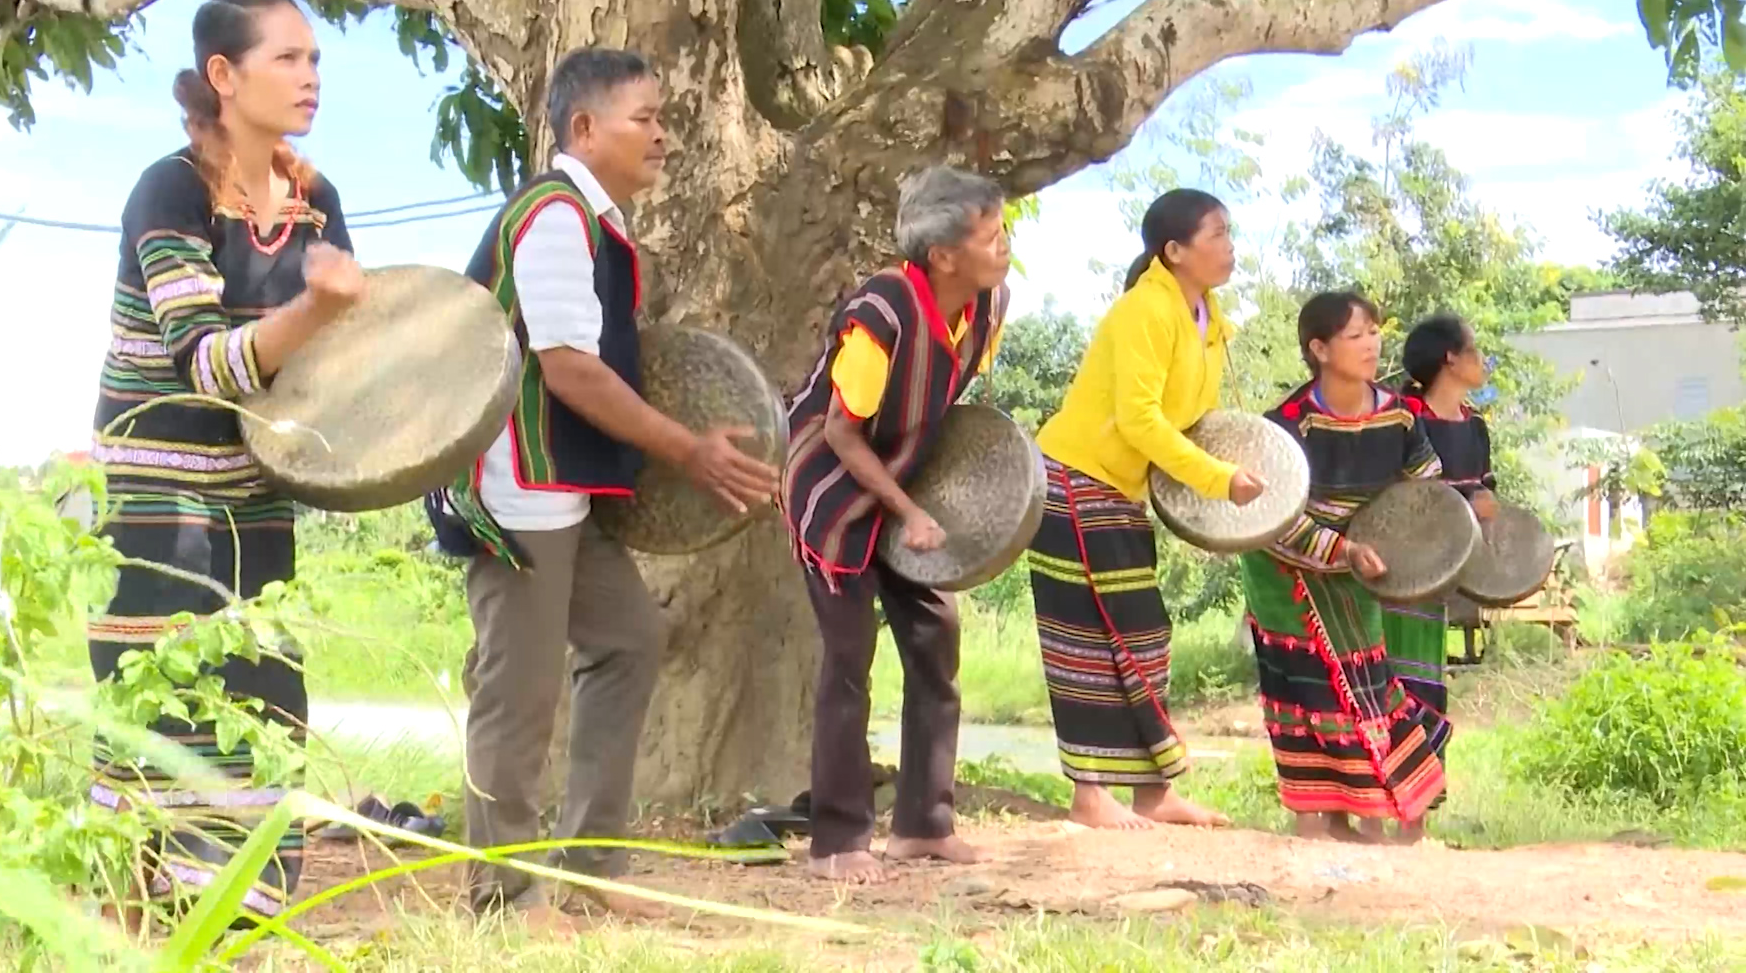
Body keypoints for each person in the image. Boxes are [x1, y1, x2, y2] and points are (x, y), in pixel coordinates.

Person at [426, 48, 777, 918]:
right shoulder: (552, 215)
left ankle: (590, 872)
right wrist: (689, 451)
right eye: (643, 118)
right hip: (518, 489)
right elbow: (572, 372)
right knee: (520, 688)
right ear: (584, 128)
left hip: (568, 494)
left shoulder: (597, 222)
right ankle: (502, 896)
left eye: (664, 118)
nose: (662, 134)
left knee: (627, 640)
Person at [87, 0, 364, 920]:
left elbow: (341, 364)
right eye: (286, 57)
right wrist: (317, 309)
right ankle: (134, 907)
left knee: (260, 692)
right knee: (156, 690)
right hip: (161, 496)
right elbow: (204, 362)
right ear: (223, 74)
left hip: (257, 492)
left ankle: (238, 909)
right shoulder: (169, 189)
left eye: (315, 58)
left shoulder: (317, 202)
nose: (309, 76)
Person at [780, 164, 1012, 885]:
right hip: (833, 489)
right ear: (943, 255)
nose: (1003, 247)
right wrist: (906, 511)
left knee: (934, 641)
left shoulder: (987, 304)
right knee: (849, 662)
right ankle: (837, 841)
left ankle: (923, 825)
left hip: (901, 483)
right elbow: (845, 433)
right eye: (991, 235)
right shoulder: (879, 313)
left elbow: (946, 405)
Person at [1026, 189, 1265, 831]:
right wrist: (1217, 480)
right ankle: (1089, 792)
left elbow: (1191, 420)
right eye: (1216, 234)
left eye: (1229, 231)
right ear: (1175, 251)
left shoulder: (1205, 317)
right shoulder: (1145, 311)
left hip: (1118, 489)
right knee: (1084, 636)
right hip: (1073, 478)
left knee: (1144, 633)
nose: (1230, 244)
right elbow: (1139, 420)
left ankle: (1156, 792)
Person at [1236, 291, 1450, 844]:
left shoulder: (1399, 414)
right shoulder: (1289, 423)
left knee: (1368, 685)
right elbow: (1270, 516)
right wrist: (1340, 551)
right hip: (1287, 570)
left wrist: (1407, 546)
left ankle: (1374, 820)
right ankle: (1319, 820)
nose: (1371, 344)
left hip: (1358, 568)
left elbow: (1425, 489)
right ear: (1320, 349)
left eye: (1374, 332)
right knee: (1308, 690)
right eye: (1356, 335)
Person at [1388, 312, 1498, 835]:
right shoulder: (1403, 417)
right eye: (1474, 348)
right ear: (1450, 358)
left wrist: (1486, 502)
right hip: (1396, 572)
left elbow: (1484, 487)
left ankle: (1415, 826)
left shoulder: (1475, 424)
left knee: (1426, 686)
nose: (1481, 359)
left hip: (1442, 578)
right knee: (1388, 685)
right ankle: (1375, 816)